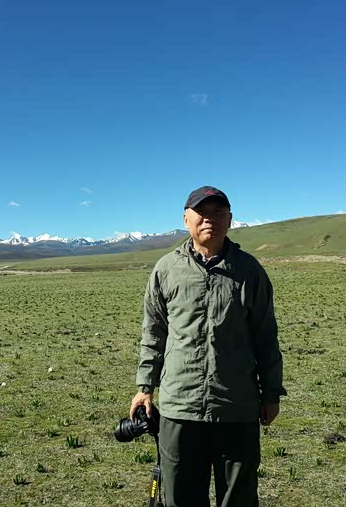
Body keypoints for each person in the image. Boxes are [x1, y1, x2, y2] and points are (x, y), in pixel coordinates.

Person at [130, 186, 286, 507]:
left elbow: (265, 336)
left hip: (236, 406)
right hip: (179, 406)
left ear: (230, 219)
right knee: (180, 498)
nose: (209, 219)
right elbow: (154, 333)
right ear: (186, 219)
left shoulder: (249, 271)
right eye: (201, 212)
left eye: (218, 212)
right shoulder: (166, 269)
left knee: (239, 498)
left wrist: (271, 393)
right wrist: (145, 388)